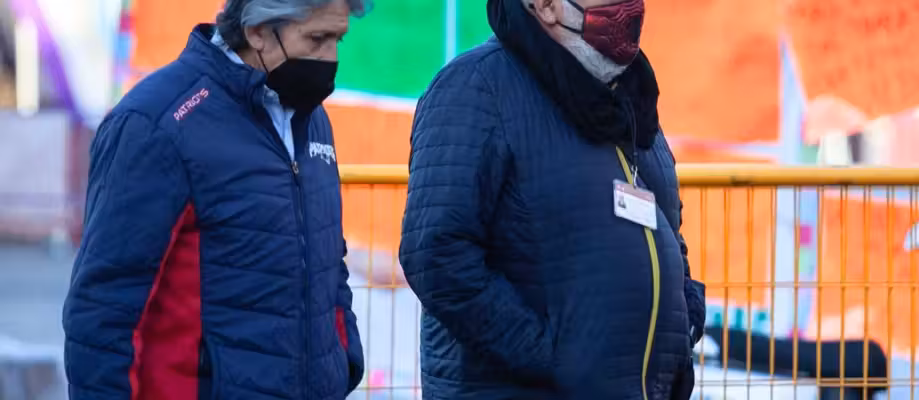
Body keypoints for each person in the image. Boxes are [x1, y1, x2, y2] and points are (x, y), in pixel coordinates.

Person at [61, 0, 372, 398]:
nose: (330, 58)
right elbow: (104, 310)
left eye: (338, 39)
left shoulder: (309, 118)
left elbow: (327, 257)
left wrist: (344, 361)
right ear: (257, 31)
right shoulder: (156, 122)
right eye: (317, 39)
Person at [398, 0, 706, 398]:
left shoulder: (632, 102)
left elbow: (666, 232)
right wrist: (554, 357)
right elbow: (437, 255)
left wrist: (683, 321)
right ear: (544, 5)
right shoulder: (476, 87)